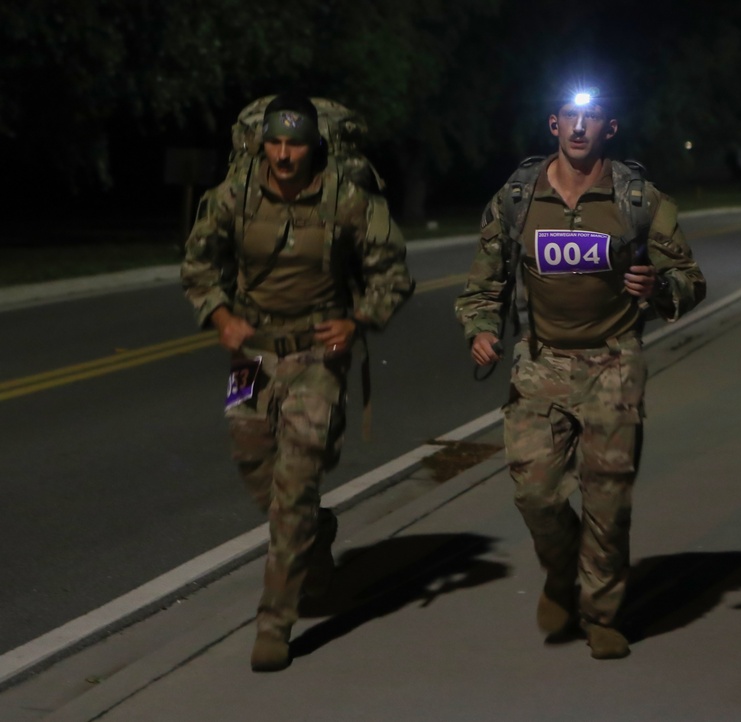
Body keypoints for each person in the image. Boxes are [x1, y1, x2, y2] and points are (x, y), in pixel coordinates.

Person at [455, 81, 706, 659]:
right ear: (552, 123)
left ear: (609, 129)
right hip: (540, 362)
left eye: (591, 117)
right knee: (535, 494)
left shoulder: (638, 199)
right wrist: (483, 330)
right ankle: (562, 571)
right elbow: (484, 282)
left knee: (608, 498)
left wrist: (659, 286)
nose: (578, 127)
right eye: (569, 114)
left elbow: (690, 279)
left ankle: (601, 613)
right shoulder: (518, 197)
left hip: (613, 362)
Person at [181, 92, 414, 672]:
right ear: (262, 144)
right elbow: (198, 265)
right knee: (251, 459)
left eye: (296, 144)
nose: (284, 156)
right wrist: (221, 315)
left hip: (316, 357)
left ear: (314, 147)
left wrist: (357, 319)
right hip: (252, 358)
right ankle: (316, 531)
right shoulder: (233, 196)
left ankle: (274, 623)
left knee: (294, 483)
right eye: (275, 143)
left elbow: (393, 273)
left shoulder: (347, 200)